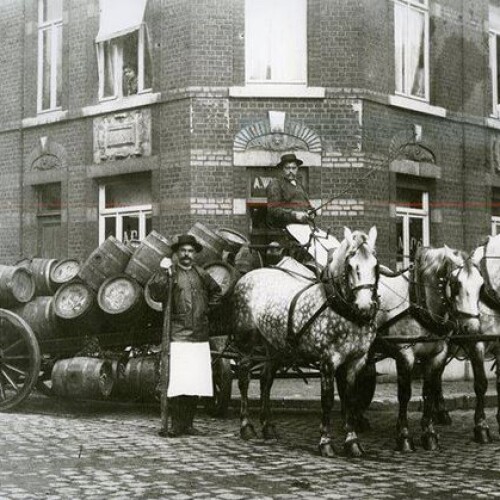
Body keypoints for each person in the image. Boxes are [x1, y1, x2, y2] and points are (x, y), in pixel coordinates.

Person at [149, 234, 222, 437]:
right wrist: (162, 273)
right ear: (176, 253)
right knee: (178, 382)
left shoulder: (201, 274)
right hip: (178, 335)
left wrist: (206, 310)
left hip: (199, 335)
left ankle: (188, 424)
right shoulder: (171, 273)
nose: (187, 254)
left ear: (195, 253)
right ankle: (176, 424)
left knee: (195, 381)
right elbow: (156, 293)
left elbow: (217, 292)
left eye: (190, 251)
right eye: (183, 251)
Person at [266, 153, 314, 229]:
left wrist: (312, 212)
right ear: (282, 169)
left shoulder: (299, 185)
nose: (291, 171)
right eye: (287, 168)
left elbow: (307, 205)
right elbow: (273, 210)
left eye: (293, 168)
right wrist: (294, 215)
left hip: (302, 228)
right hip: (285, 230)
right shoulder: (276, 184)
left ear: (297, 169)